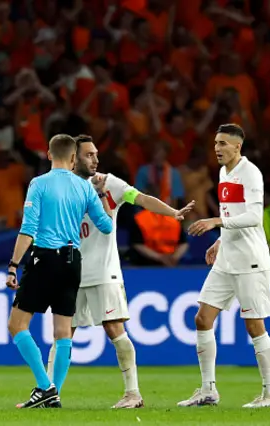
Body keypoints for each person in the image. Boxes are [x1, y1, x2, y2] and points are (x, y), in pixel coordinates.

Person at [45, 135, 194, 409]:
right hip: (71, 273)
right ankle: (49, 393)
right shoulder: (57, 187)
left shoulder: (109, 183)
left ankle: (133, 394)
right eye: (89, 154)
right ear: (74, 157)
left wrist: (172, 212)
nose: (96, 159)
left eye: (96, 154)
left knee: (114, 329)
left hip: (103, 272)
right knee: (62, 334)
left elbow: (141, 199)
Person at [6, 134, 113, 408]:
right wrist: (100, 194)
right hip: (72, 261)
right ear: (74, 157)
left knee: (17, 325)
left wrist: (13, 266)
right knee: (63, 331)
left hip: (46, 259)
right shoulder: (85, 187)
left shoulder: (39, 184)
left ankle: (45, 386)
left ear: (49, 154)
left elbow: (28, 229)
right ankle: (54, 396)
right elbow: (107, 226)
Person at [178, 124, 270, 408]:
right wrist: (220, 240)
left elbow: (254, 216)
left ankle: (269, 394)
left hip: (250, 259)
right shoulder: (223, 173)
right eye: (215, 143)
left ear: (238, 147)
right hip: (227, 257)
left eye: (223, 143)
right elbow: (232, 214)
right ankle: (208, 390)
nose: (217, 149)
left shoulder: (250, 173)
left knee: (254, 325)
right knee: (202, 318)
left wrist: (215, 222)